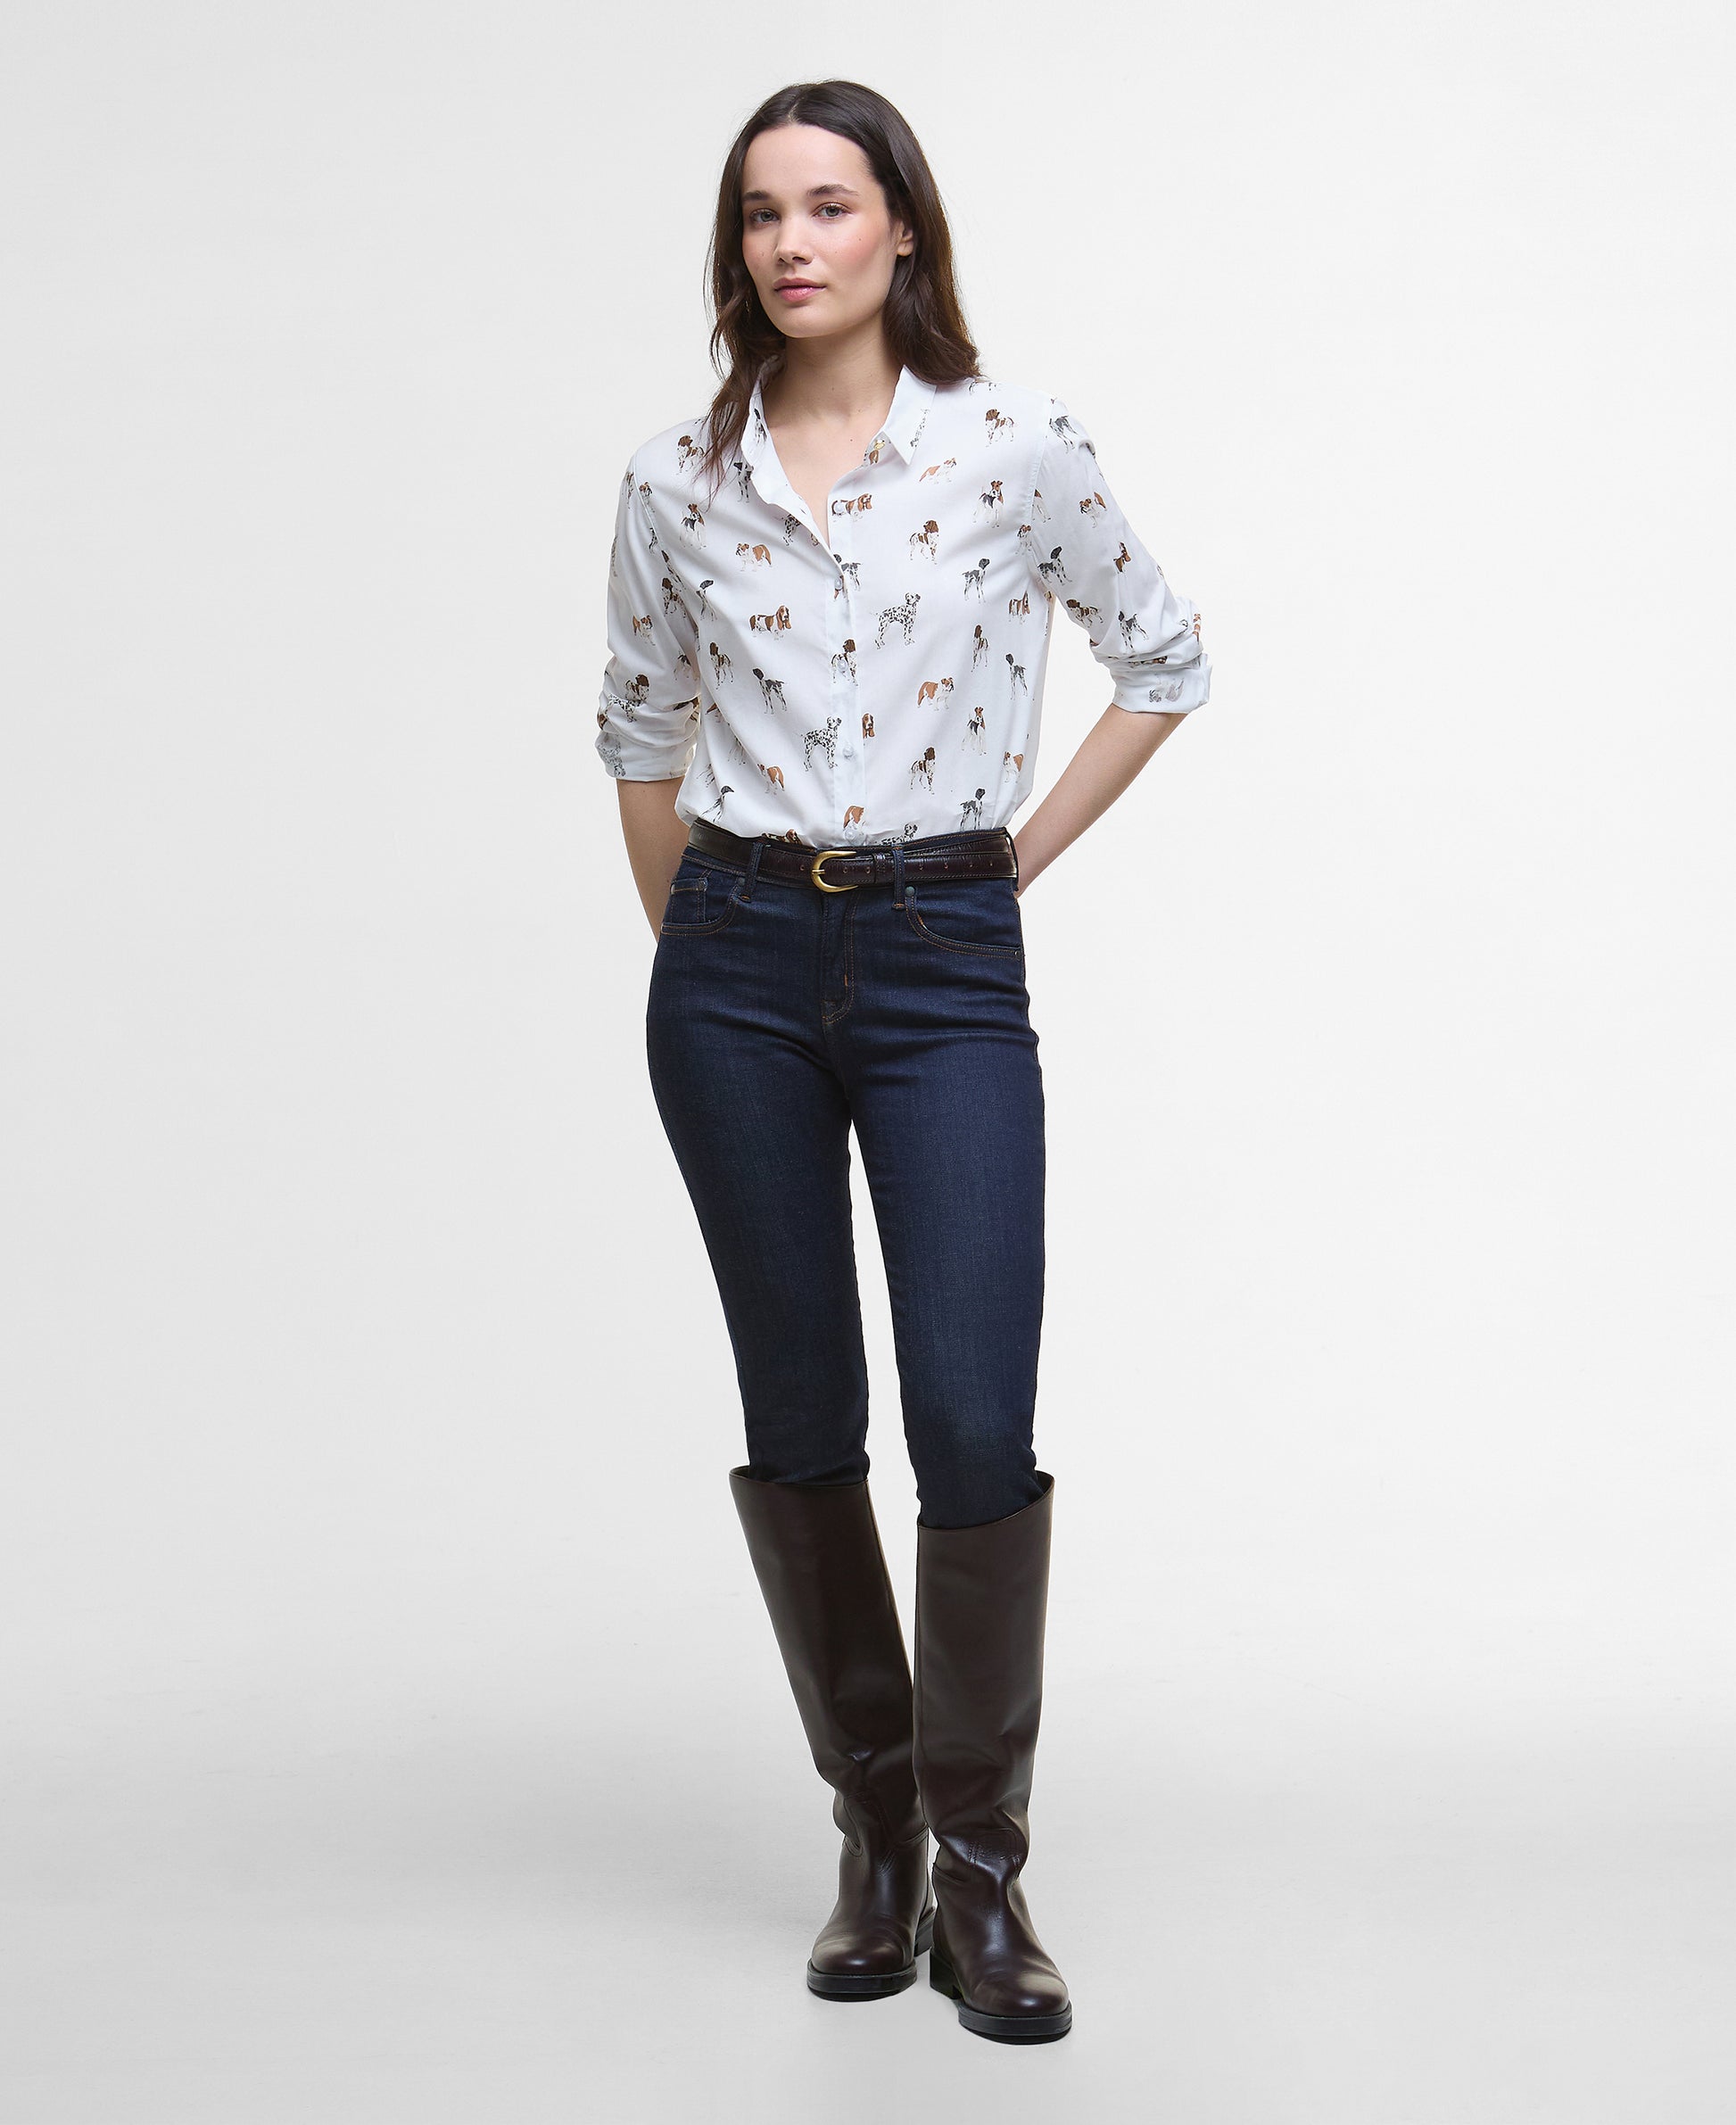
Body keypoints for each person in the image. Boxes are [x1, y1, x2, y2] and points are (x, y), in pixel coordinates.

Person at [595, 79, 1211, 2046]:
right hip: (735, 964)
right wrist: (706, 951)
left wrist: (1004, 860)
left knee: (968, 1414)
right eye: (759, 212)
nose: (790, 242)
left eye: (828, 205)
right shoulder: (676, 479)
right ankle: (873, 1841)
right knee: (798, 1408)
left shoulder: (1013, 445)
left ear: (902, 232)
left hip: (945, 953)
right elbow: (640, 737)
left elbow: (1165, 658)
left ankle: (983, 1872)